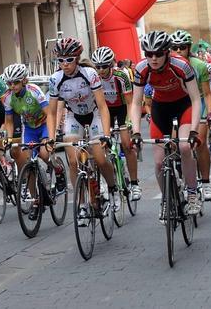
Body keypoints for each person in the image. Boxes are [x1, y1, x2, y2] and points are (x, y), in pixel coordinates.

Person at [130, 30, 202, 219]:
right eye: (148, 54)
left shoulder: (181, 65)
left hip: (183, 105)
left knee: (185, 147)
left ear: (167, 52)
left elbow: (196, 99)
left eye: (158, 54)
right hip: (160, 109)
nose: (153, 58)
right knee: (159, 162)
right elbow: (136, 102)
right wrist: (136, 132)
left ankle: (193, 193)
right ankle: (166, 199)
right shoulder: (141, 68)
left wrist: (194, 130)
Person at [46, 37, 119, 217]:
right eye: (60, 60)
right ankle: (82, 203)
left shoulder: (89, 74)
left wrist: (107, 135)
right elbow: (52, 113)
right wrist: (51, 137)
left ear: (77, 59)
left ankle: (113, 188)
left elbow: (102, 106)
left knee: (101, 159)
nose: (65, 64)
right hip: (74, 116)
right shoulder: (55, 79)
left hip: (94, 114)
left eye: (69, 59)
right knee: (73, 161)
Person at [2, 63, 63, 220]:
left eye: (15, 82)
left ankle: (58, 169)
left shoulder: (34, 91)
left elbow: (49, 113)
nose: (12, 86)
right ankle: (36, 200)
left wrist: (51, 137)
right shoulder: (8, 97)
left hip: (43, 125)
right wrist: (9, 139)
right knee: (28, 166)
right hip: (29, 129)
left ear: (23, 80)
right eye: (9, 83)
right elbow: (8, 121)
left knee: (44, 153)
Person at [91, 46, 141, 202]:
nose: (100, 70)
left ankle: (134, 183)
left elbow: (129, 102)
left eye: (104, 66)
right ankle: (108, 180)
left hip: (121, 109)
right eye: (97, 67)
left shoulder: (121, 75)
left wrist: (128, 123)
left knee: (126, 144)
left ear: (111, 64)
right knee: (100, 146)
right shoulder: (93, 78)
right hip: (104, 111)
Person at [169, 30, 211, 202]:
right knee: (174, 144)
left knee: (200, 142)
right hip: (180, 106)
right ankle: (184, 172)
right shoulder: (169, 65)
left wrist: (209, 113)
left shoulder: (199, 65)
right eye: (175, 48)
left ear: (188, 48)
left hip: (199, 104)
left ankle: (206, 181)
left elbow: (208, 93)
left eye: (182, 48)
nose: (178, 51)